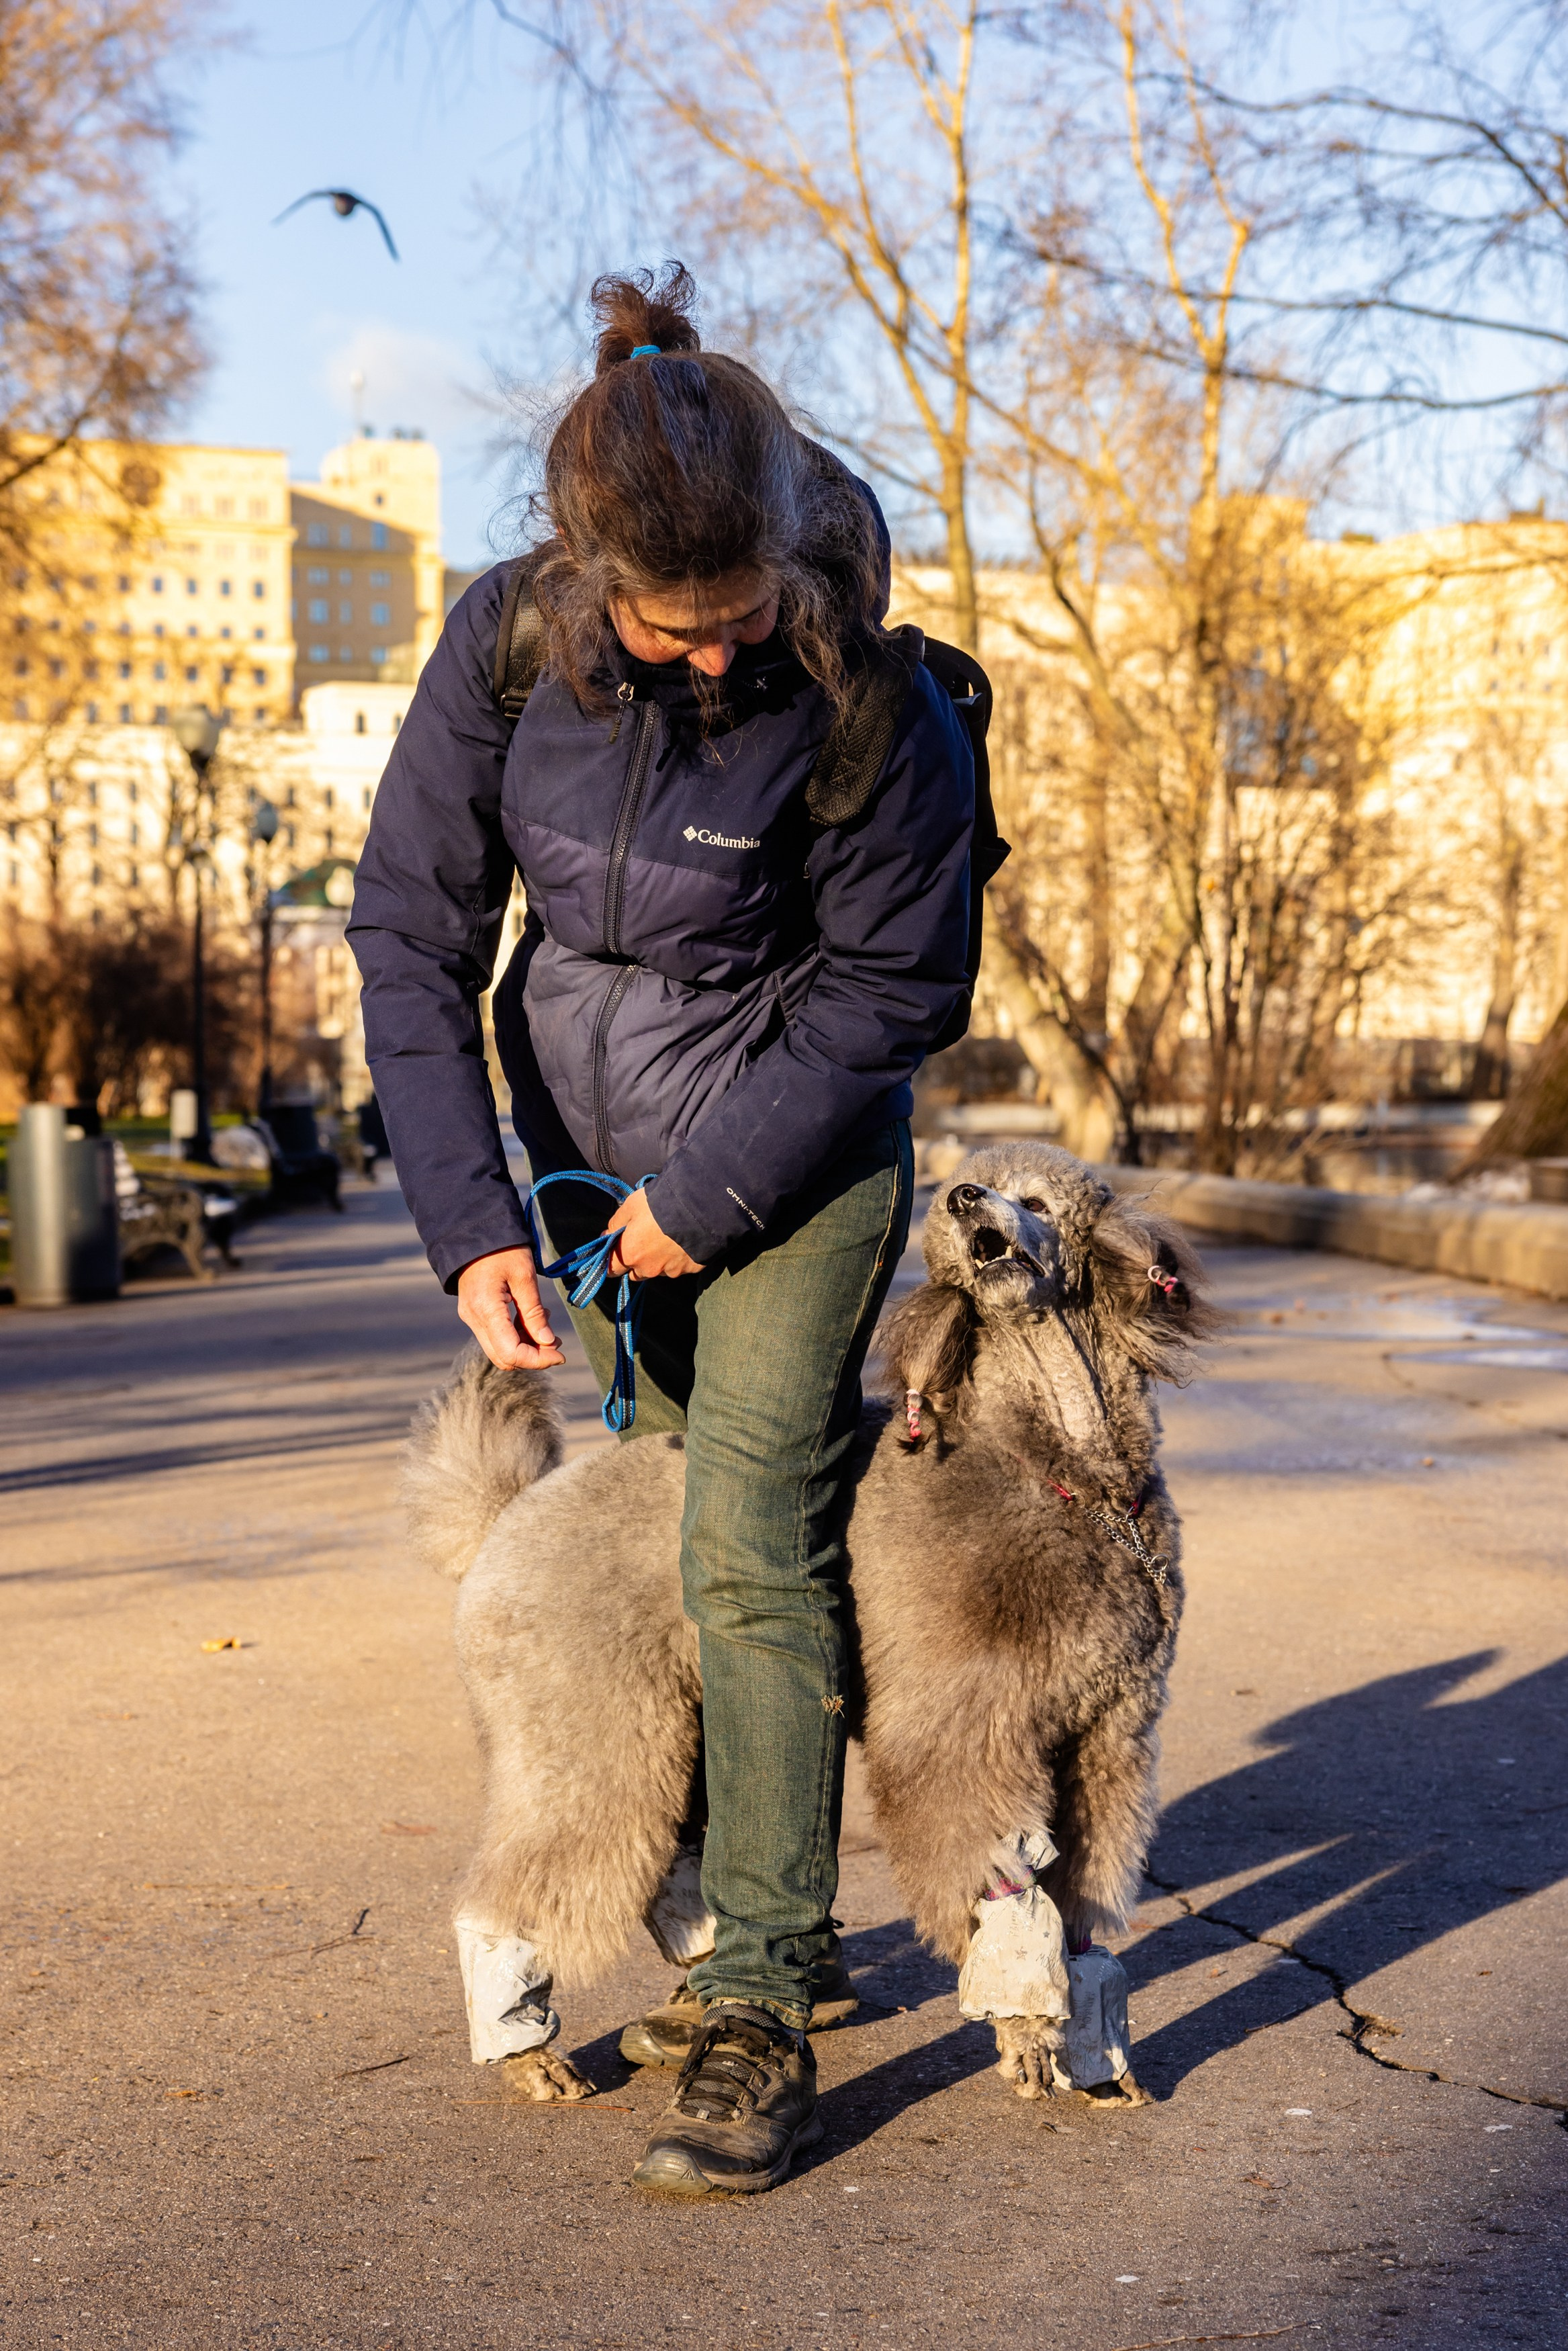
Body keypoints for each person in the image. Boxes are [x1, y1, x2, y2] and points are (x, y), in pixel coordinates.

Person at [349, 264, 974, 2197]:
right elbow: (413, 931)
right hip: (585, 1171)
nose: (711, 665)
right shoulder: (507, 645)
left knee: (759, 1529)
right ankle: (720, 1869)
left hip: (793, 1154)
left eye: (741, 629)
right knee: (683, 1514)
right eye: (668, 632)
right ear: (587, 571)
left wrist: (706, 1205)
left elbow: (895, 984)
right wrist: (474, 1216)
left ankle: (765, 1998)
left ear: (790, 561)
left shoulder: (863, 684)